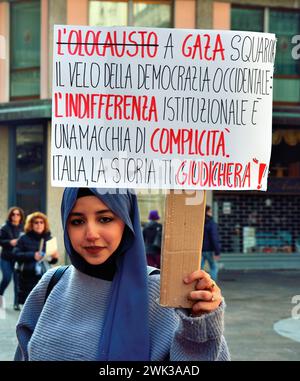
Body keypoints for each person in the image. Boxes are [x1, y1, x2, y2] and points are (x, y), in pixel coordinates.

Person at [14, 188, 230, 361]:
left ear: (126, 222)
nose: (91, 234)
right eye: (77, 221)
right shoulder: (51, 285)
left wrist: (200, 325)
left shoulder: (163, 294)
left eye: (105, 219)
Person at [13, 212, 59, 305]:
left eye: (41, 222)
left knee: (43, 305)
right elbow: (15, 254)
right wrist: (32, 255)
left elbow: (52, 260)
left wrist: (54, 257)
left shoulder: (49, 238)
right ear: (31, 225)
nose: (39, 225)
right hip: (27, 275)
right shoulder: (24, 238)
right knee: (28, 306)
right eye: (36, 222)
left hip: (44, 274)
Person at [0, 207, 25, 311]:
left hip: (17, 258)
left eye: (18, 214)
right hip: (5, 257)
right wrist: (10, 242)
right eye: (13, 214)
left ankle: (16, 303)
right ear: (10, 216)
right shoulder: (5, 227)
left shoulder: (23, 228)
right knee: (6, 278)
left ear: (21, 216)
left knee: (17, 281)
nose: (15, 216)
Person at [201, 205, 221, 281]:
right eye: (210, 211)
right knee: (213, 267)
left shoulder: (199, 222)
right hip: (209, 250)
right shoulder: (211, 223)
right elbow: (214, 238)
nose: (211, 213)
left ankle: (197, 284)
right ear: (207, 212)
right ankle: (211, 284)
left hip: (200, 250)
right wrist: (217, 252)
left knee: (198, 268)